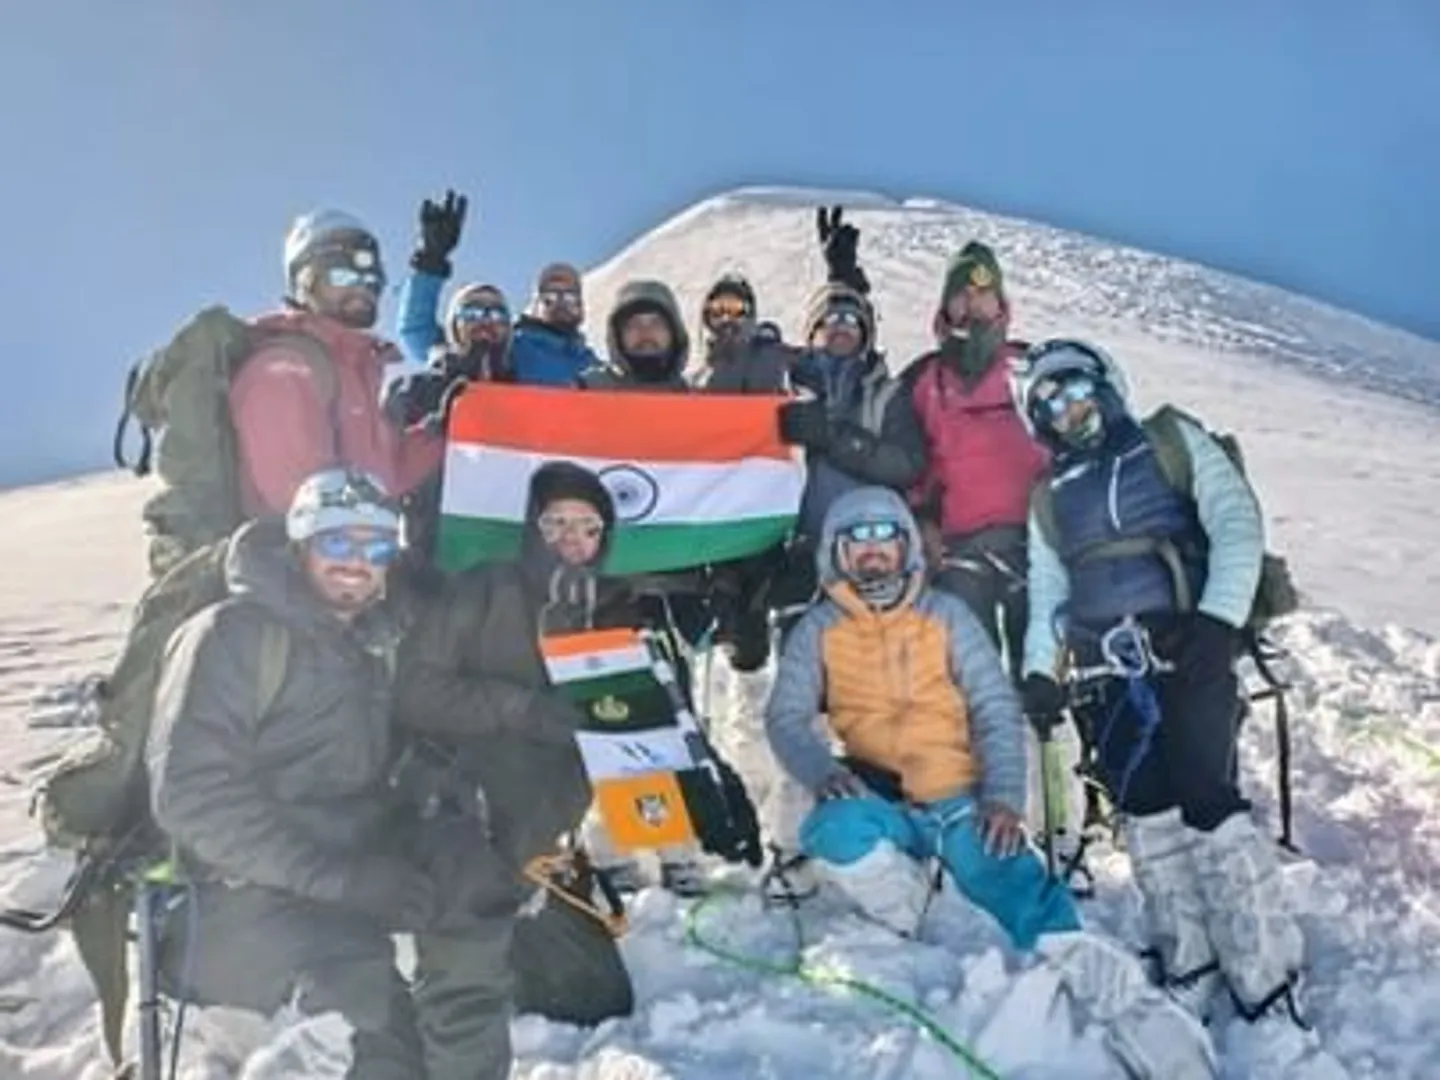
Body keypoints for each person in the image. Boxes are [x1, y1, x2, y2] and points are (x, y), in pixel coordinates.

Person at [764, 485, 1219, 1080]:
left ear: (907, 549)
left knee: (1017, 885)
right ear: (838, 554)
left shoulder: (947, 615)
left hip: (957, 799)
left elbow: (995, 710)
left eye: (886, 540)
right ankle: (914, 914)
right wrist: (824, 771)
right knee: (831, 831)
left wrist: (1003, 798)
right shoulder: (819, 628)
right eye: (859, 543)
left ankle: (1114, 999)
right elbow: (785, 715)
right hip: (879, 797)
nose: (874, 555)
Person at [1014, 340, 1334, 1075]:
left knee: (1209, 805)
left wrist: (1220, 623)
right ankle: (1189, 958)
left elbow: (1235, 523)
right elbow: (1046, 591)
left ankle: (1266, 972)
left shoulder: (1168, 439)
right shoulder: (1048, 496)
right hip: (1105, 669)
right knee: (1148, 815)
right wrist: (1040, 671)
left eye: (1076, 391)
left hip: (1189, 649)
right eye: (1050, 403)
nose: (1068, 410)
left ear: (1104, 386)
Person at [146, 469, 491, 1079]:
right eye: (338, 543)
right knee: (371, 1032)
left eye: (376, 547)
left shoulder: (375, 638)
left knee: (470, 872)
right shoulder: (231, 635)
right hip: (245, 895)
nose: (357, 563)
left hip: (350, 860)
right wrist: (342, 880)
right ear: (301, 544)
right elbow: (191, 797)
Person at [394, 461, 636, 1042]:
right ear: (531, 527)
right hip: (463, 809)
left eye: (589, 527)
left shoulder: (602, 607)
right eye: (556, 523)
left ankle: (528, 919)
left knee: (601, 1000)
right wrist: (520, 708)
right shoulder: (483, 587)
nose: (572, 540)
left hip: (544, 823)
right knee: (555, 997)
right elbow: (414, 692)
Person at [229, 210, 445, 517]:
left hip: (356, 552)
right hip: (304, 559)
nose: (362, 288)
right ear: (303, 282)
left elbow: (388, 471)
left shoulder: (355, 369)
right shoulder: (282, 371)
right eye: (342, 276)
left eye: (372, 279)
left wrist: (441, 430)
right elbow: (305, 503)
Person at [899, 240, 1046, 675]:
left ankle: (1051, 737)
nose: (973, 305)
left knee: (1040, 666)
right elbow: (906, 461)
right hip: (959, 547)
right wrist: (922, 521)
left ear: (1001, 304)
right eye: (962, 295)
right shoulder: (924, 381)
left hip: (1036, 545)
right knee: (971, 674)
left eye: (984, 294)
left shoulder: (1031, 367)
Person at [775, 207, 925, 629]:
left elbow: (906, 464)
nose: (841, 327)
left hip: (869, 552)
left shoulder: (886, 393)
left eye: (852, 321)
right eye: (830, 320)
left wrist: (835, 438)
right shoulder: (785, 386)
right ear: (811, 331)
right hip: (800, 552)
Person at [690, 273, 793, 394]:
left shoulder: (764, 357)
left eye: (735, 309)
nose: (726, 318)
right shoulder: (702, 374)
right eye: (718, 309)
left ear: (748, 315)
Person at [508, 261, 601, 386]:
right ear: (537, 303)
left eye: (570, 296)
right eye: (551, 296)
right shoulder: (514, 348)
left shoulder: (591, 361)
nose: (561, 302)